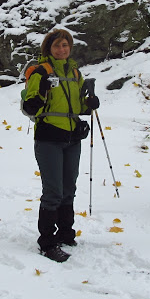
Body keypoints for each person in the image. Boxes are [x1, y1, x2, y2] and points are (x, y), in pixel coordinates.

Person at [22, 28, 99, 262]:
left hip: (72, 138)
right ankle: (47, 241)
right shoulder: (40, 72)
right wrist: (40, 93)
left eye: (65, 45)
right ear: (49, 48)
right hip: (48, 138)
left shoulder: (75, 73)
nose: (62, 49)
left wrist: (90, 104)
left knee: (69, 188)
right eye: (57, 45)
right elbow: (29, 108)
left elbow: (78, 107)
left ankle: (66, 233)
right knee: (53, 191)